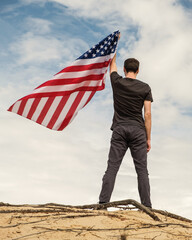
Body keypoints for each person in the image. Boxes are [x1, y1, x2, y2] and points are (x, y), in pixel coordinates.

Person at [99, 37, 153, 208]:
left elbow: (111, 66)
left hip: (120, 130)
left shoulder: (117, 82)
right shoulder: (145, 87)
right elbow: (148, 114)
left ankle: (103, 204)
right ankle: (147, 206)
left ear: (125, 69)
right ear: (138, 70)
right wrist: (148, 138)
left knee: (112, 168)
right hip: (138, 131)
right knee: (142, 171)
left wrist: (114, 47)